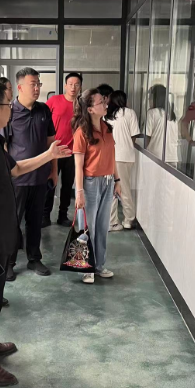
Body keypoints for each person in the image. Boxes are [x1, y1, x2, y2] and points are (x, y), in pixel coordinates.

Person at [0, 80, 70, 386]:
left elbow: (16, 169)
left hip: (0, 235)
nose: (11, 109)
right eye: (8, 104)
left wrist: (48, 155)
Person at [4, 67, 57, 281]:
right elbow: (4, 147)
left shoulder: (44, 110)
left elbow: (51, 143)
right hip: (16, 179)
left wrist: (53, 171)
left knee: (35, 221)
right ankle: (9, 262)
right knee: (12, 222)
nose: (37, 88)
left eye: (38, 84)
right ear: (20, 87)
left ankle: (34, 258)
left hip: (40, 177)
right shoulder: (9, 112)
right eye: (32, 84)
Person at [72, 89, 122, 284]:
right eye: (101, 102)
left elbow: (112, 157)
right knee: (87, 228)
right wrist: (79, 192)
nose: (105, 104)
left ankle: (99, 266)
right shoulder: (82, 133)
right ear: (90, 109)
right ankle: (86, 269)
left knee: (102, 227)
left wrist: (117, 180)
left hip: (108, 182)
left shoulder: (107, 128)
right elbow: (78, 166)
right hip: (90, 184)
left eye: (104, 101)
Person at [43, 72, 83, 228]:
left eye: (76, 84)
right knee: (50, 183)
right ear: (65, 85)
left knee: (67, 186)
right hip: (53, 150)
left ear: (80, 87)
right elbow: (43, 120)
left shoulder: (81, 105)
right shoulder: (54, 100)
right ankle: (45, 216)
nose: (73, 87)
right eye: (70, 84)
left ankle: (63, 215)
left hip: (71, 152)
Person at [105, 90, 140, 231]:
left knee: (111, 189)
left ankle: (112, 221)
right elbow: (134, 135)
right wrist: (128, 146)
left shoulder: (106, 116)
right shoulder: (130, 113)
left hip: (110, 156)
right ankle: (128, 220)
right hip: (126, 156)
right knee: (124, 188)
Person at [146, 84, 179, 165]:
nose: (149, 100)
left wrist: (144, 151)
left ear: (156, 98)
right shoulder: (172, 115)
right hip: (172, 156)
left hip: (156, 157)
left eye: (150, 97)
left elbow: (147, 137)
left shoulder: (152, 113)